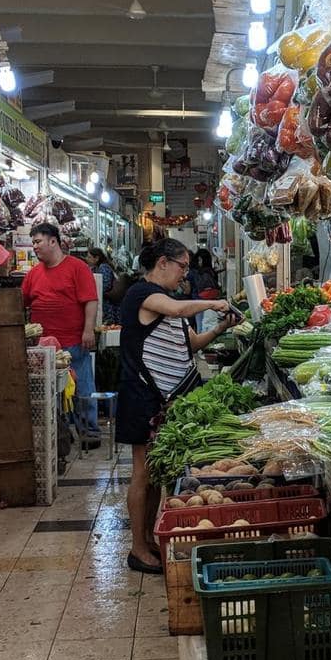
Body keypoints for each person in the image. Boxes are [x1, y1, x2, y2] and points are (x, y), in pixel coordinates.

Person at [118, 239, 238, 573]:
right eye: (182, 266)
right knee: (142, 473)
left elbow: (193, 345)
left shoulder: (169, 300)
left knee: (154, 474)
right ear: (162, 263)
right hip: (141, 395)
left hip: (165, 397)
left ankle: (148, 539)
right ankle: (137, 549)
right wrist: (212, 304)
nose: (184, 275)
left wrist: (220, 327)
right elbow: (177, 310)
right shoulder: (141, 295)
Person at [22, 222, 102, 434]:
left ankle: (90, 431)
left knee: (82, 387)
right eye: (33, 243)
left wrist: (88, 330)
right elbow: (23, 302)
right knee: (50, 392)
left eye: (38, 241)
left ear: (53, 241)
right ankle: (60, 434)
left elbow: (91, 300)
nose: (35, 247)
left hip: (73, 341)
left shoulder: (77, 267)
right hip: (44, 346)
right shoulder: (33, 274)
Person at [87, 247, 119, 325]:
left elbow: (105, 286)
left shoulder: (104, 267)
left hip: (108, 305)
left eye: (89, 257)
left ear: (97, 258)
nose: (87, 259)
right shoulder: (96, 268)